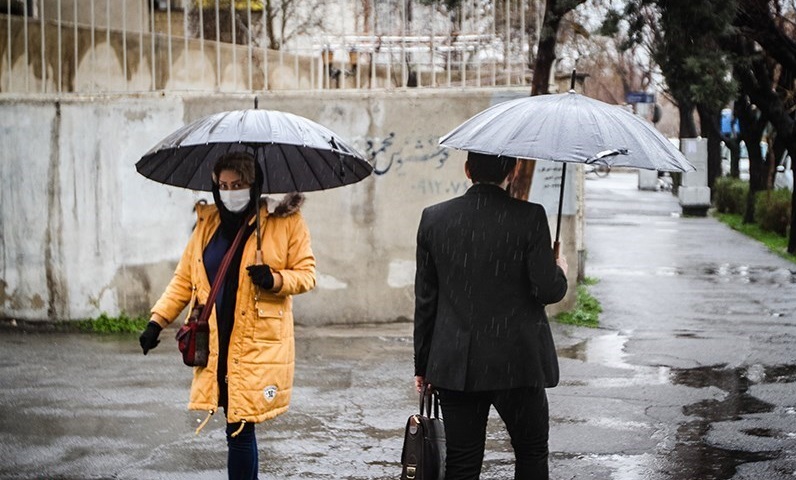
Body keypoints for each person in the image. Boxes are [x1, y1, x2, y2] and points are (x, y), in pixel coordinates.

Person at [138, 151, 316, 480]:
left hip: (254, 340)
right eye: (223, 185)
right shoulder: (208, 224)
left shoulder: (284, 222)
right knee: (236, 425)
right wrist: (157, 321)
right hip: (215, 340)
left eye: (238, 184)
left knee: (239, 427)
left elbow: (307, 275)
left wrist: (275, 279)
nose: (230, 191)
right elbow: (184, 279)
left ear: (254, 184)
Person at [413, 151, 569, 480]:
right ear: (513, 171)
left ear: (467, 169)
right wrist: (559, 270)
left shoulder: (434, 218)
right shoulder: (530, 217)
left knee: (462, 462)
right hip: (518, 362)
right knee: (531, 451)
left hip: (457, 365)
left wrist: (423, 366)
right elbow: (547, 290)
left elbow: (426, 301)